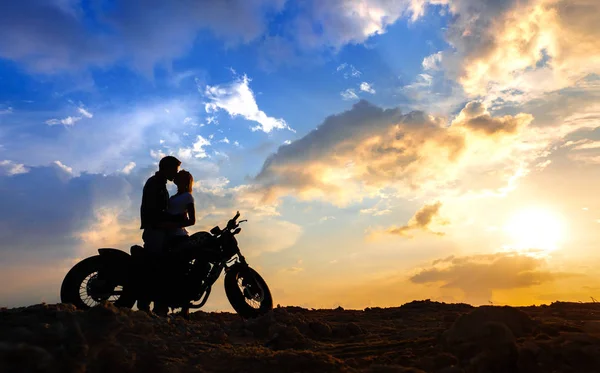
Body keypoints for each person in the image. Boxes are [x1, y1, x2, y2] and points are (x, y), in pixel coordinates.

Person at [138, 155, 182, 316]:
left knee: (159, 266)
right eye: (175, 170)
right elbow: (155, 211)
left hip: (158, 228)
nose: (176, 174)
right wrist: (175, 218)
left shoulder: (159, 184)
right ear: (167, 168)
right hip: (155, 229)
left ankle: (156, 306)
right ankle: (148, 306)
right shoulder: (155, 184)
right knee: (155, 267)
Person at [165, 169, 196, 248]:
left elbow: (192, 221)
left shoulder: (187, 196)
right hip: (169, 236)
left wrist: (174, 225)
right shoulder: (172, 198)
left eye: (180, 175)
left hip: (179, 236)